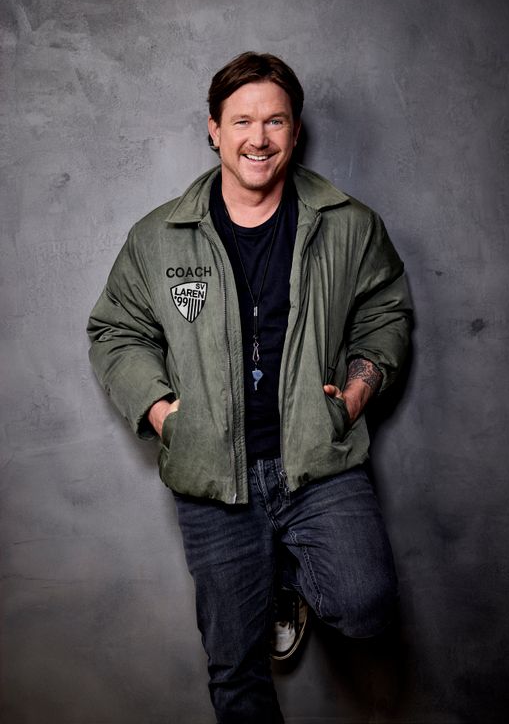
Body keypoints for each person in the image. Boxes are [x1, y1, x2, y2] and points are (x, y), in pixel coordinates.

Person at [87, 51, 412, 723]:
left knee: (367, 607)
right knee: (234, 668)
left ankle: (285, 576)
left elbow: (385, 312)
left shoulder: (347, 223)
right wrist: (162, 412)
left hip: (318, 462)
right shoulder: (158, 236)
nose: (257, 139)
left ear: (295, 130)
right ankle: (270, 581)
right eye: (241, 121)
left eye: (274, 121)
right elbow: (116, 330)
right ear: (213, 129)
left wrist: (357, 392)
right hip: (212, 475)